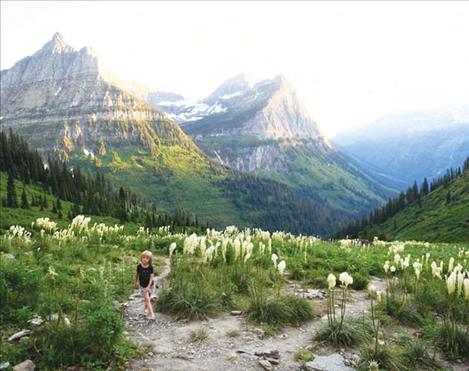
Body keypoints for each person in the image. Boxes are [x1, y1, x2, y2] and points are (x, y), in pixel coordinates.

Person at [135, 250, 155, 320]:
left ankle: (145, 309)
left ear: (150, 259)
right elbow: (137, 275)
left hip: (150, 285)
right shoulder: (139, 266)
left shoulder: (150, 267)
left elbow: (151, 278)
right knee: (147, 299)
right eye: (143, 257)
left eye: (147, 258)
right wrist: (137, 282)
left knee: (148, 299)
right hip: (142, 286)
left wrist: (148, 286)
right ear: (141, 258)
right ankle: (151, 314)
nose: (145, 259)